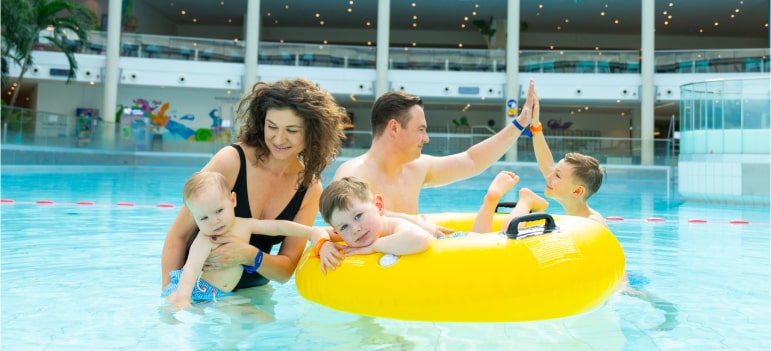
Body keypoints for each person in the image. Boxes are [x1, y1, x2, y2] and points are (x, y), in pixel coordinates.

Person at [161, 77, 349, 291]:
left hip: (253, 293)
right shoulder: (232, 161)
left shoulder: (309, 188)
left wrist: (250, 255)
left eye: (292, 130)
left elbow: (286, 271)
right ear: (262, 124)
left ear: (312, 133)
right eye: (272, 127)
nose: (279, 139)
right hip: (199, 289)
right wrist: (169, 293)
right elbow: (178, 235)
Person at [522, 82, 679, 331]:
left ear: (577, 191)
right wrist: (536, 125)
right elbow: (546, 162)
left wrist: (620, 289)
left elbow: (612, 262)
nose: (549, 177)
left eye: (557, 176)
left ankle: (670, 315)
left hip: (618, 282)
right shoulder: (574, 212)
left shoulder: (592, 223)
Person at [332, 81, 537, 236]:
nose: (426, 138)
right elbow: (341, 223)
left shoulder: (417, 167)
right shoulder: (353, 175)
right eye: (421, 130)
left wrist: (520, 123)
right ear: (394, 128)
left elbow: (471, 161)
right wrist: (415, 222)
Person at [162, 171, 339, 310]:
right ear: (194, 218)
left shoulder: (244, 225)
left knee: (261, 319)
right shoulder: (207, 239)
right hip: (195, 291)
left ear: (232, 200)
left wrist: (312, 232)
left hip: (219, 295)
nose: (214, 221)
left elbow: (277, 227)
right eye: (203, 218)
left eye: (218, 211)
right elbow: (190, 270)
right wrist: (183, 300)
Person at [316, 173, 531, 256]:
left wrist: (373, 247)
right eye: (343, 227)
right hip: (457, 245)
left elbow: (418, 240)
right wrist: (323, 245)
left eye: (358, 216)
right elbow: (316, 230)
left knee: (506, 236)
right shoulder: (356, 231)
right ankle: (490, 200)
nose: (355, 229)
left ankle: (525, 201)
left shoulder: (392, 226)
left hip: (456, 245)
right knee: (481, 235)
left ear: (379, 206)